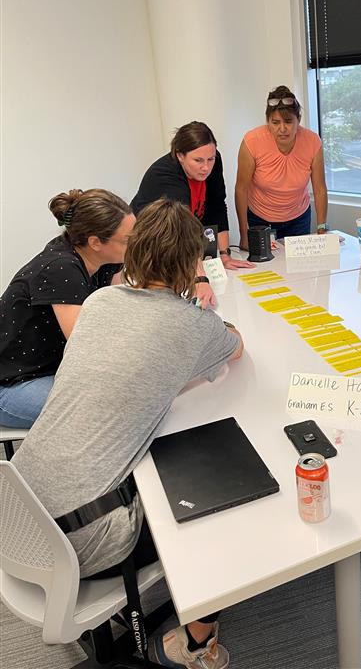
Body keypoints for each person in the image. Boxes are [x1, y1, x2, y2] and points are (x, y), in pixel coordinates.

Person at [13, 199, 243, 669]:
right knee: (226, 502)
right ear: (191, 262)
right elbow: (235, 347)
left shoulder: (98, 302)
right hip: (79, 539)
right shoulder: (193, 325)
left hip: (16, 509)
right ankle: (196, 645)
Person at [0, 189, 134, 427]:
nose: (136, 244)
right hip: (13, 383)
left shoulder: (99, 260)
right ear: (95, 242)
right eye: (127, 239)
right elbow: (86, 346)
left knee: (131, 395)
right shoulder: (60, 268)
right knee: (113, 412)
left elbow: (121, 305)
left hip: (51, 368)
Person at [131, 121, 253, 308]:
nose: (206, 167)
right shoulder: (165, 175)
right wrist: (200, 279)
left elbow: (217, 207)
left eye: (210, 159)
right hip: (151, 245)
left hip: (182, 242)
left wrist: (224, 254)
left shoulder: (213, 161)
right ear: (180, 155)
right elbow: (183, 230)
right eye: (198, 161)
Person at [235, 86, 328, 249]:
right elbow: (241, 189)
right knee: (265, 270)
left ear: (298, 119)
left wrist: (321, 228)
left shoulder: (313, 142)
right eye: (275, 122)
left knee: (299, 270)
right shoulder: (252, 141)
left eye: (288, 121)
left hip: (299, 218)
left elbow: (319, 188)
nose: (282, 129)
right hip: (260, 219)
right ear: (267, 121)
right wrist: (244, 234)